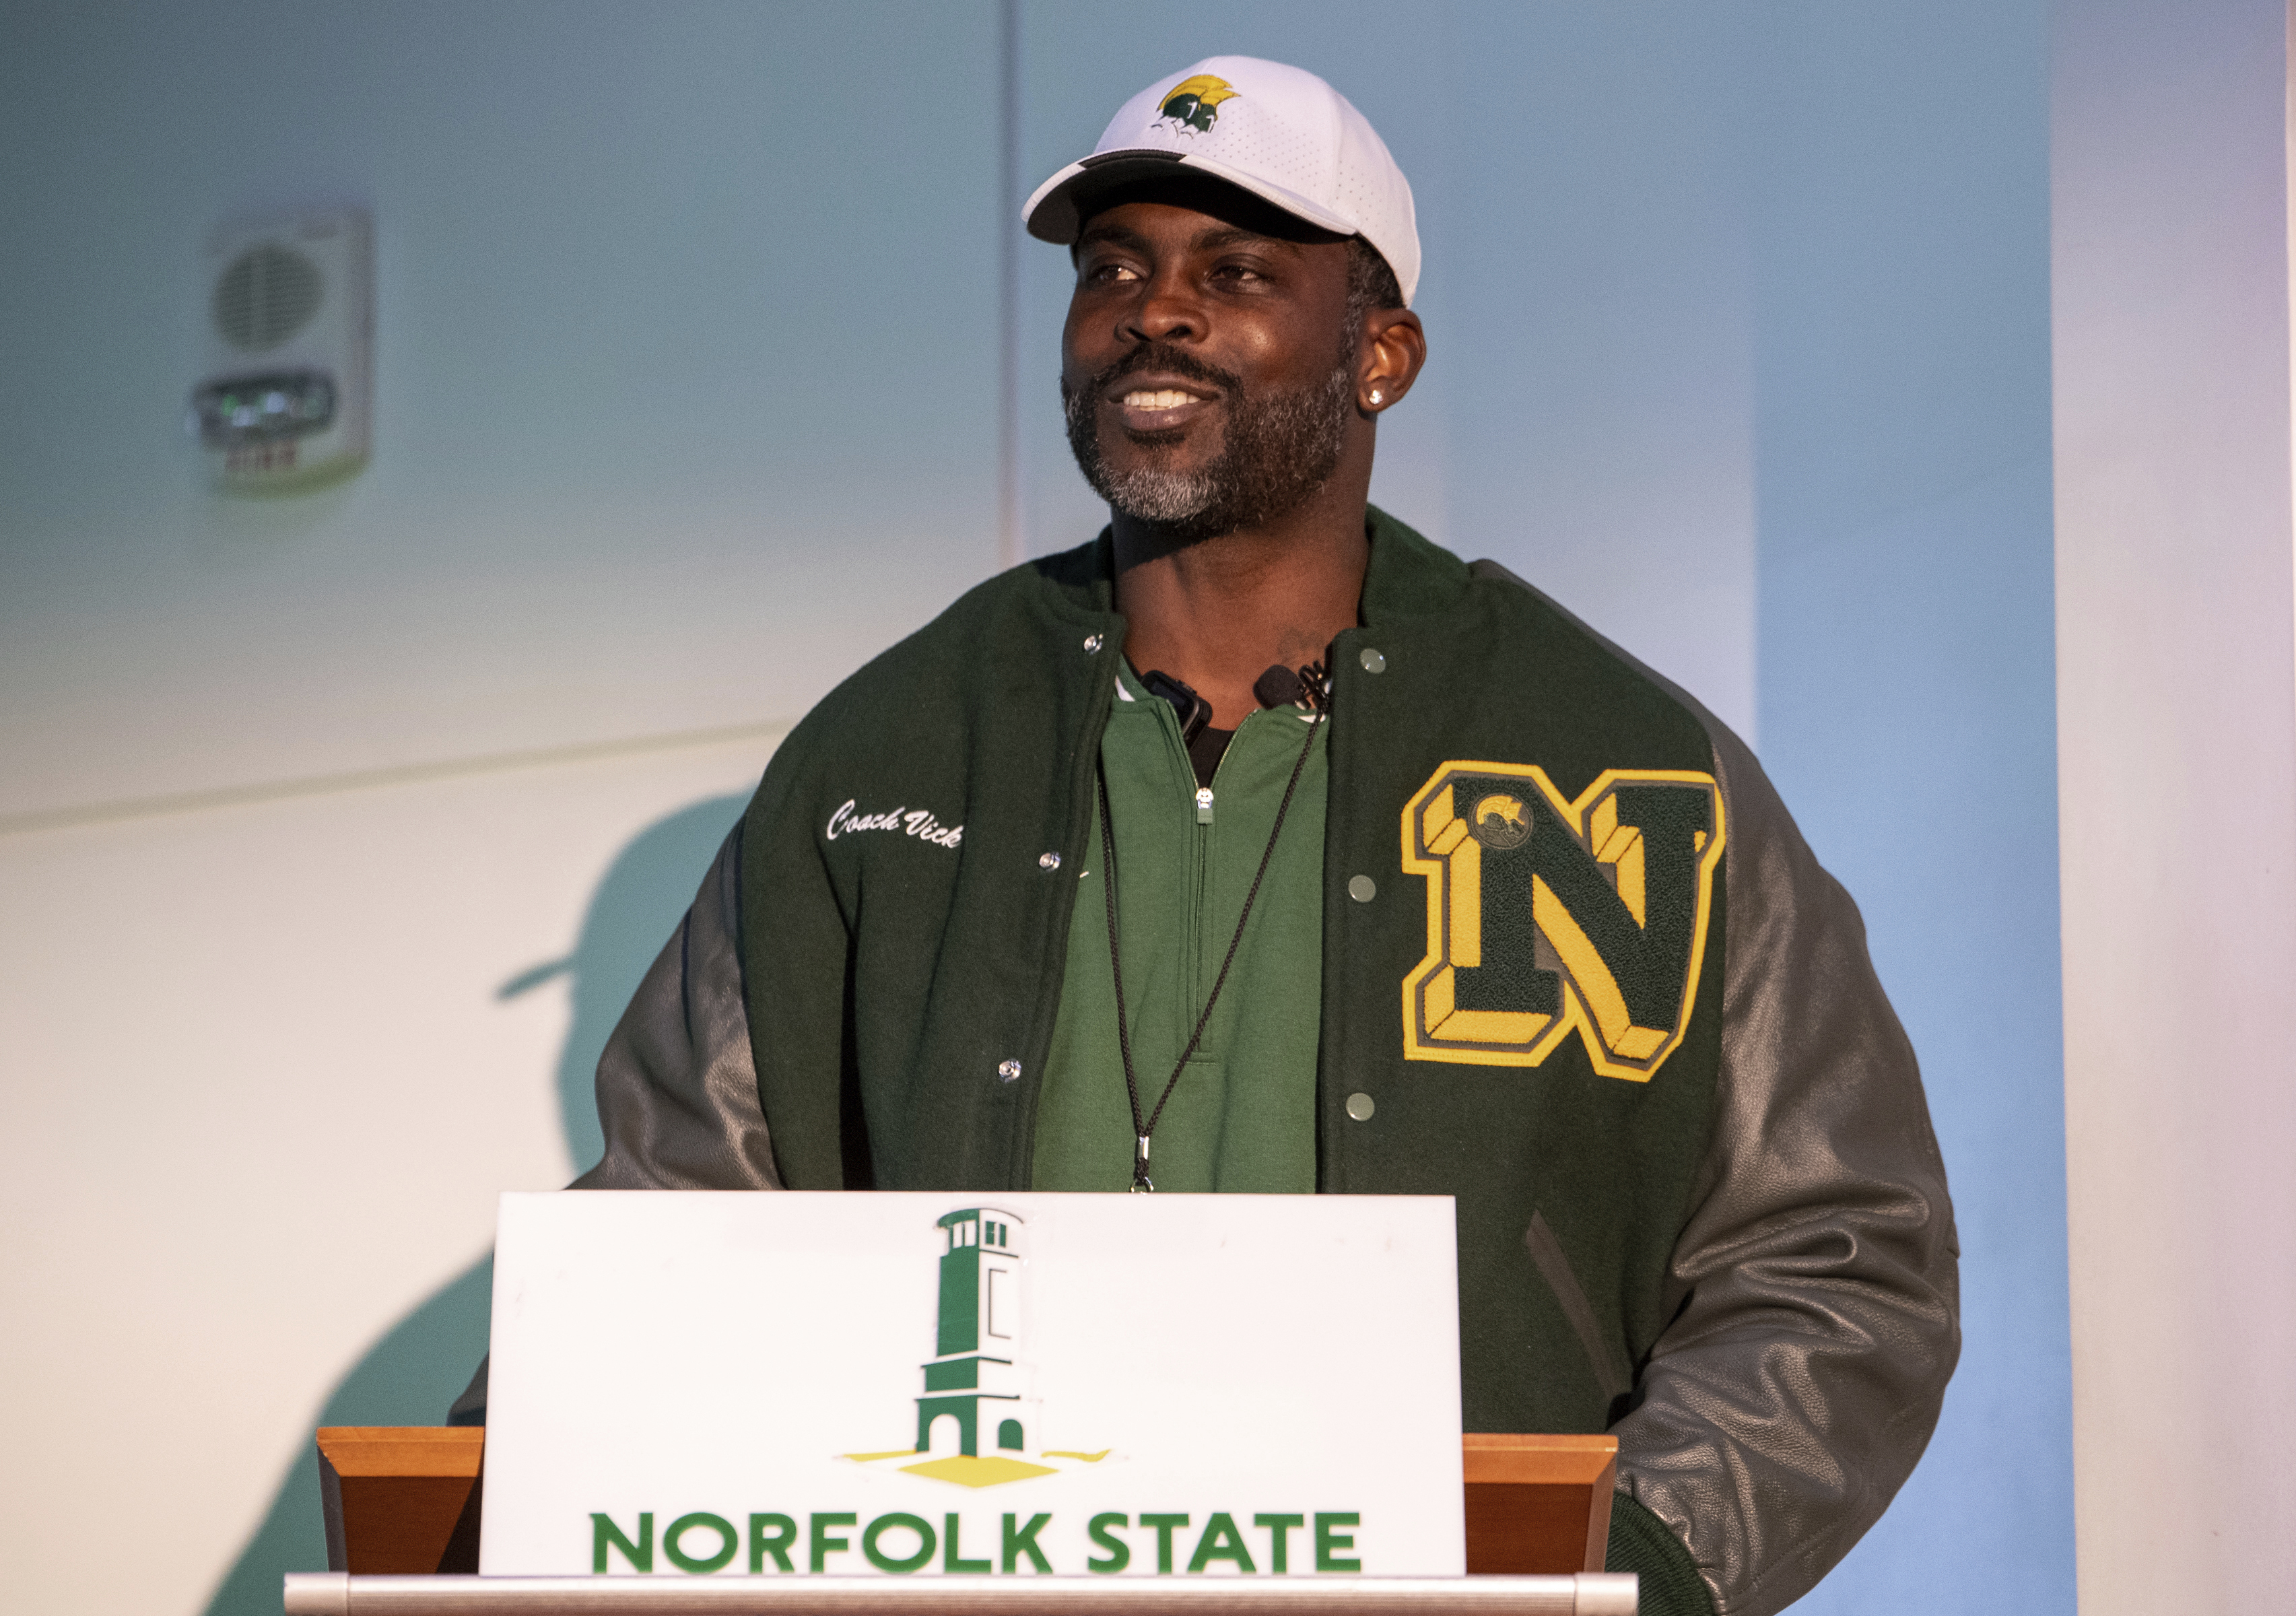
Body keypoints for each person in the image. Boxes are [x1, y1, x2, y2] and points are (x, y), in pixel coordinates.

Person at [453, 56, 1958, 1616]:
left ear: (1381, 355)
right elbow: (675, 1220)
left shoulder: (1614, 760)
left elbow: (1839, 1252)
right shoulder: (887, 749)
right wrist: (500, 1502)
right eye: (1114, 271)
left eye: (1234, 272)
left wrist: (1625, 1563)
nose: (1153, 313)